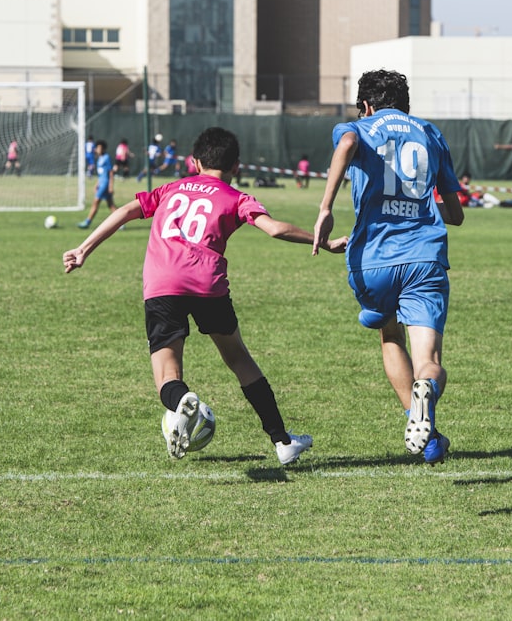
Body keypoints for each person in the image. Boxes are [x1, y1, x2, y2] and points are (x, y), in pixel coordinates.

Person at [64, 127, 346, 463]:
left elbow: (125, 211)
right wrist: (324, 243)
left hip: (162, 284)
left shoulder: (171, 189)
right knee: (238, 358)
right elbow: (275, 228)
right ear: (236, 167)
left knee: (168, 376)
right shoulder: (236, 197)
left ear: (195, 162)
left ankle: (182, 401)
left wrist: (84, 249)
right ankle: (282, 441)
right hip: (207, 284)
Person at [312, 68, 465, 466]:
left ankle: (427, 437)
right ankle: (425, 394)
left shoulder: (360, 127)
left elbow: (346, 141)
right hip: (424, 256)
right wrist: (421, 205)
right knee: (428, 359)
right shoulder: (429, 132)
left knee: (388, 333)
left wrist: (326, 208)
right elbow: (455, 213)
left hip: (373, 259)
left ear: (365, 105)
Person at [77, 139, 118, 229]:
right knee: (111, 205)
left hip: (105, 184)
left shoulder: (106, 158)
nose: (97, 149)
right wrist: (97, 184)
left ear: (103, 149)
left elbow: (110, 173)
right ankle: (121, 222)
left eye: (99, 148)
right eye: (97, 148)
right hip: (102, 183)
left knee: (96, 202)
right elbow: (101, 174)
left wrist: (111, 186)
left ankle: (87, 222)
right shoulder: (99, 159)